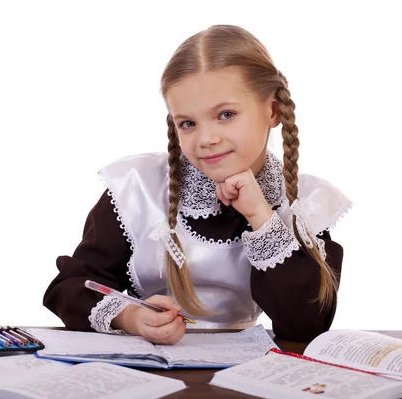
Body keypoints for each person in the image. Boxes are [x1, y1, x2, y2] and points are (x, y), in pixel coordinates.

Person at [43, 24, 352, 345]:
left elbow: (306, 326)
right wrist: (132, 317)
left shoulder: (305, 203)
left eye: (226, 114)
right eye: (188, 123)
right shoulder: (137, 188)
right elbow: (72, 286)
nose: (206, 139)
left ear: (273, 110)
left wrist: (261, 215)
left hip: (246, 375)